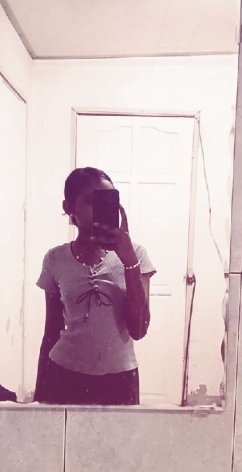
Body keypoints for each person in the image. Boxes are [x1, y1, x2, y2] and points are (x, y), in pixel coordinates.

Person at [33, 167, 156, 405]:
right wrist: (40, 394)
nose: (101, 209)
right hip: (64, 375)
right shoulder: (55, 259)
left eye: (108, 200)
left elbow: (139, 330)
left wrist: (129, 261)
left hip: (120, 378)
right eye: (91, 201)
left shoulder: (136, 254)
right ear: (69, 207)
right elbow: (51, 331)